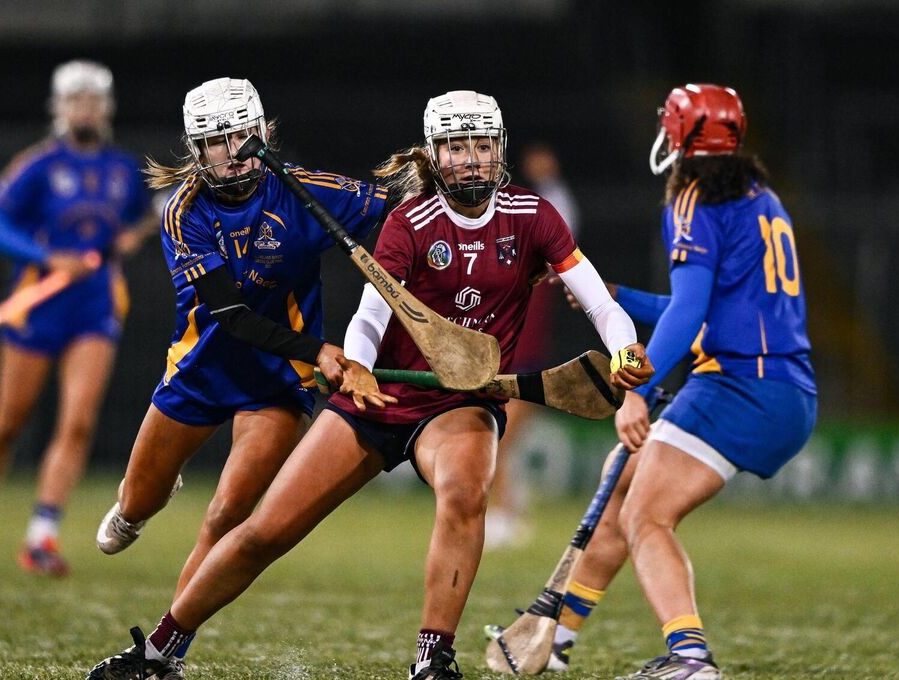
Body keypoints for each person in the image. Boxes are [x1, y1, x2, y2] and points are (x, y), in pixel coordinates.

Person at [86, 90, 654, 680]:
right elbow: (370, 316)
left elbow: (595, 297)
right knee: (262, 533)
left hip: (460, 403)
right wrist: (353, 367)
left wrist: (623, 347)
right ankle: (158, 651)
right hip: (376, 397)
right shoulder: (410, 223)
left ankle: (433, 660)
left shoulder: (533, 217)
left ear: (499, 149)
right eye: (457, 148)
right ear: (435, 155)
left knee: (464, 492)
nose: (472, 160)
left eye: (482, 145)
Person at [493, 84, 818, 680]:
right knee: (622, 487)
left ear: (683, 140)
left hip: (739, 387)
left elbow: (692, 314)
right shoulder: (761, 198)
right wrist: (621, 298)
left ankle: (691, 658)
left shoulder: (692, 200)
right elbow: (709, 308)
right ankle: (557, 638)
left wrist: (633, 388)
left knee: (645, 517)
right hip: (787, 393)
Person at [92, 77, 392, 675]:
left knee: (228, 514)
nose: (227, 152)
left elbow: (398, 217)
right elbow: (230, 316)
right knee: (135, 504)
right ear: (193, 149)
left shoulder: (305, 191)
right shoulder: (184, 212)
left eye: (237, 137)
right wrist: (325, 349)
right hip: (202, 370)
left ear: (262, 134)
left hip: (279, 382)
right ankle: (140, 502)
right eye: (211, 143)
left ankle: (164, 651)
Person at [0, 60, 153, 577]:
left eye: (92, 100)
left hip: (95, 306)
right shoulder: (38, 166)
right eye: (74, 99)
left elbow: (153, 208)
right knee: (8, 421)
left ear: (105, 108)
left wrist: (139, 231)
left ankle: (41, 537)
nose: (83, 108)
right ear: (59, 108)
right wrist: (44, 255)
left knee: (79, 421)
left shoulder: (121, 169)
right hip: (37, 304)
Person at [486, 142, 582, 550]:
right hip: (511, 358)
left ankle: (505, 516)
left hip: (522, 361)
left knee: (496, 440)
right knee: (497, 440)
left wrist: (548, 179)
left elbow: (562, 217)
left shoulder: (540, 258)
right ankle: (510, 510)